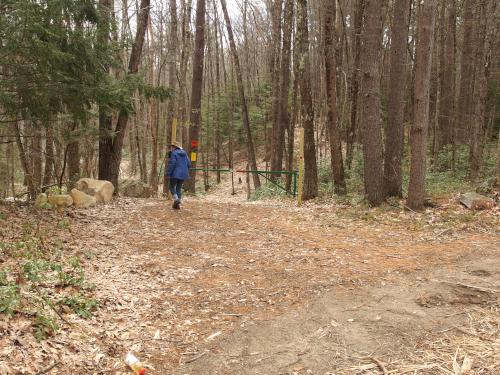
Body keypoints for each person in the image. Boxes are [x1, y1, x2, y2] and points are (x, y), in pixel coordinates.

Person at [166, 141, 191, 209]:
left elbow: (172, 164)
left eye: (172, 146)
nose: (171, 148)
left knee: (171, 187)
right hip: (183, 174)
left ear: (175, 147)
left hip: (175, 174)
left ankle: (177, 199)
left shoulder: (174, 153)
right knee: (178, 188)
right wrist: (184, 169)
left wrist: (168, 173)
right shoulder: (184, 153)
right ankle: (177, 205)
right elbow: (189, 164)